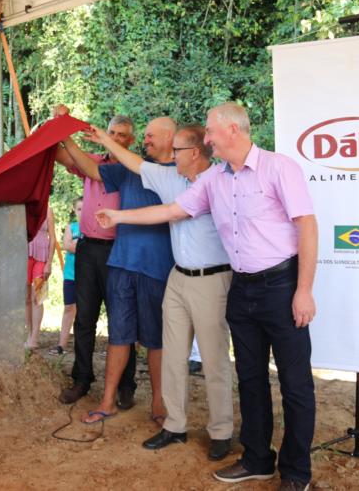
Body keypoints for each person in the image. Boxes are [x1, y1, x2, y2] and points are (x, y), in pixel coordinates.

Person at [96, 102, 317, 491]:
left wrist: (304, 290)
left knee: (295, 383)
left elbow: (307, 227)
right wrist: (119, 217)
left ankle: (296, 473)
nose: (208, 138)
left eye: (212, 132)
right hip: (242, 287)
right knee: (250, 379)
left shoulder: (279, 168)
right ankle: (257, 459)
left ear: (233, 130)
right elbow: (174, 211)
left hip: (281, 285)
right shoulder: (216, 179)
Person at [84, 123, 233, 460]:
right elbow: (136, 165)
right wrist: (105, 139)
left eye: (178, 150)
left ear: (194, 153)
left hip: (212, 279)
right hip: (178, 277)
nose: (173, 157)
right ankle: (174, 425)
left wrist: (120, 216)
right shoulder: (171, 177)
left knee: (214, 360)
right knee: (172, 355)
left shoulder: (218, 181)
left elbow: (168, 212)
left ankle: (222, 431)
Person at [65, 116, 175, 425]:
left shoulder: (177, 173)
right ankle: (107, 401)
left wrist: (104, 138)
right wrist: (65, 132)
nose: (147, 140)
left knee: (155, 339)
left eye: (152, 135)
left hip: (157, 267)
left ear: (171, 138)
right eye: (147, 135)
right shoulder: (126, 169)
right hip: (121, 263)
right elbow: (90, 168)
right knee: (119, 335)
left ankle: (158, 403)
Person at [53, 109, 138, 407]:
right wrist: (58, 123)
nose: (114, 139)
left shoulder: (133, 167)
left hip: (119, 251)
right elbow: (61, 157)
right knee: (84, 318)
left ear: (131, 140)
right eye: (111, 133)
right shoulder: (95, 159)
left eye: (121, 136)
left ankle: (126, 385)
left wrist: (65, 133)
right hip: (88, 250)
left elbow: (87, 169)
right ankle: (82, 379)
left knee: (122, 319)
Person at [50, 197, 83, 356]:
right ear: (74, 211)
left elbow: (74, 246)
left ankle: (82, 345)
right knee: (69, 307)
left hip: (88, 276)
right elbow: (66, 245)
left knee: (85, 311)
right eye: (79, 209)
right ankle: (62, 344)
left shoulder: (93, 227)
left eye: (85, 209)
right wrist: (83, 246)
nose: (82, 213)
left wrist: (76, 245)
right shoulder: (72, 227)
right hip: (71, 274)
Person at [26, 206, 55, 349]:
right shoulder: (22, 206)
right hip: (25, 254)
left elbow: (53, 239)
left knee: (38, 297)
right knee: (26, 298)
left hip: (42, 258)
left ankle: (34, 338)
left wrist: (49, 263)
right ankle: (28, 333)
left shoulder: (48, 209)